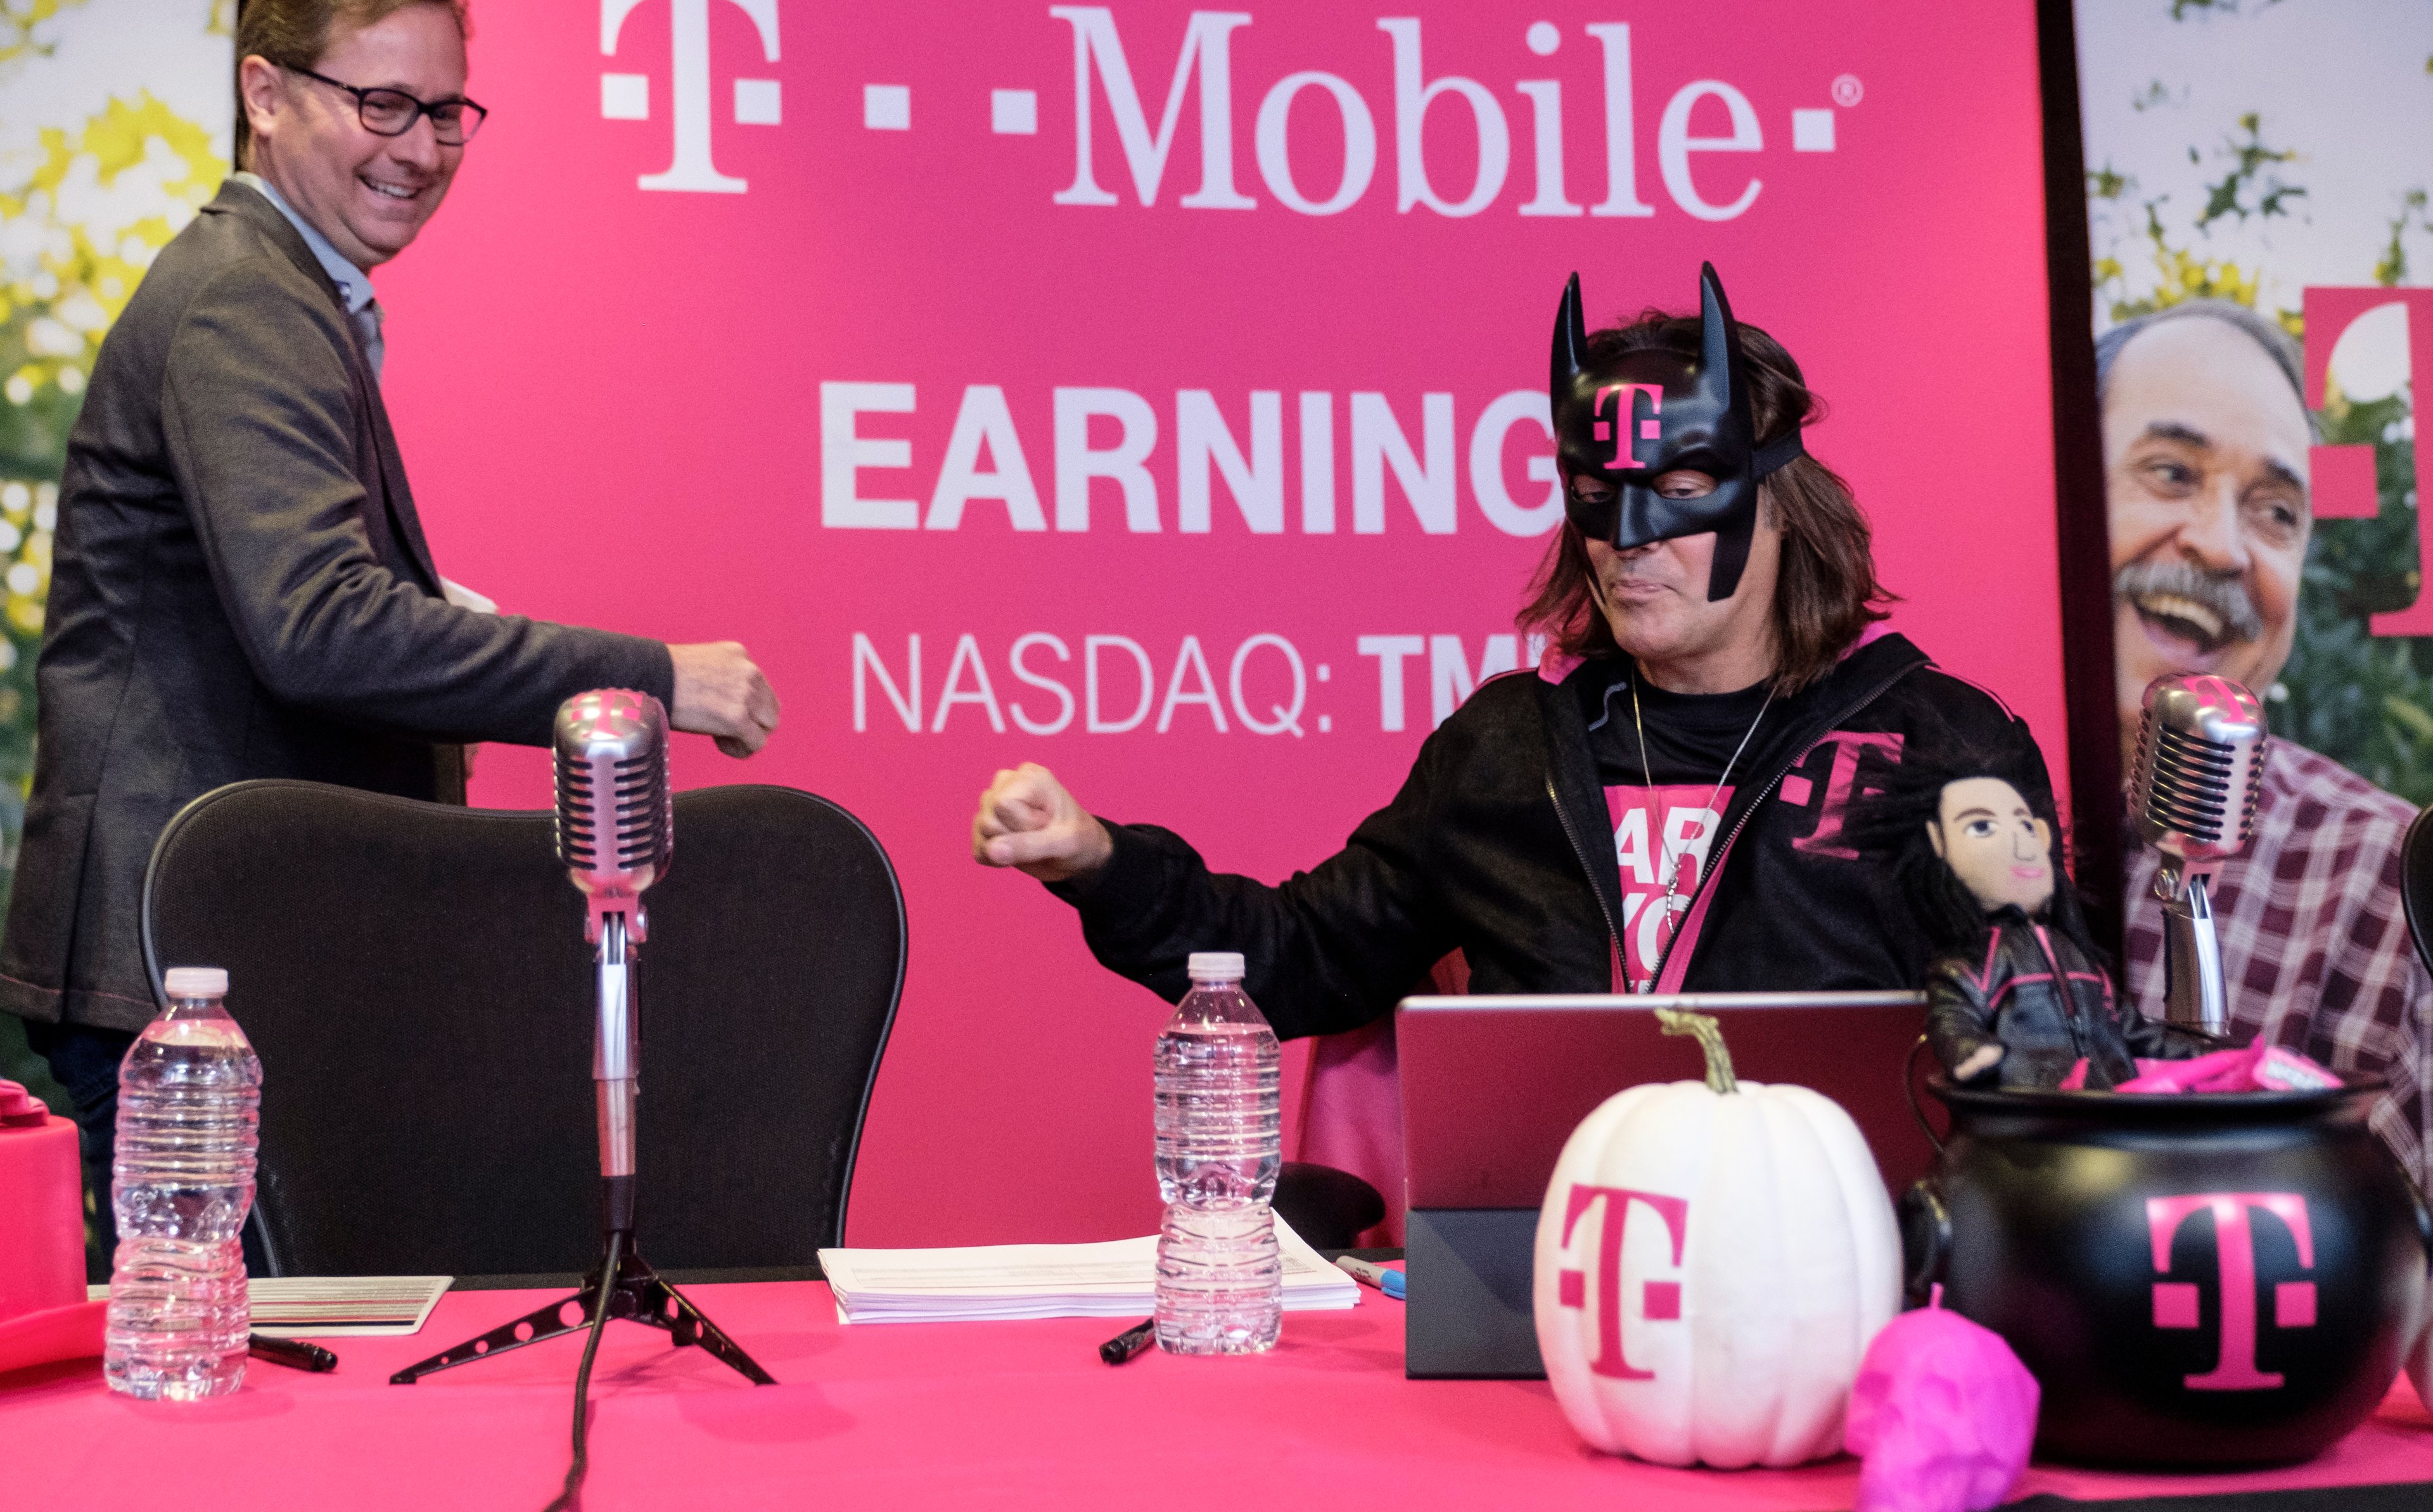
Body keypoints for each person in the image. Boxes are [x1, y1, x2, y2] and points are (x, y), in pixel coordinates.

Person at [0, 0, 782, 1207]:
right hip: (185, 970)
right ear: (265, 92)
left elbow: (278, 608)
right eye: (379, 103)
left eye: (445, 111)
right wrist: (649, 680)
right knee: (202, 1378)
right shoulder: (246, 301)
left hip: (222, 949)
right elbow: (318, 627)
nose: (417, 147)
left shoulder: (284, 294)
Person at [971, 265, 2052, 1036]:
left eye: (1679, 500)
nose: (1629, 545)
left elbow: (2048, 1024)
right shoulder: (1511, 743)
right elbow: (1297, 959)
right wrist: (1100, 864)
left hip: (1845, 1273)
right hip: (1547, 1266)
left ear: (1781, 513)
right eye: (1596, 501)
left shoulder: (1939, 742)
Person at [2098, 299, 2429, 1178]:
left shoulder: (2380, 883)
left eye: (2275, 511)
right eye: (2171, 472)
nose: (2219, 545)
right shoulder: (1880, 808)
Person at [1843, 742, 2206, 1090]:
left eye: (2026, 826)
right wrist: (1970, 1051)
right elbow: (1952, 1019)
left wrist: (2202, 1054)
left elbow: (2131, 1030)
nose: (2021, 845)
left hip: (2112, 1114)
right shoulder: (1977, 962)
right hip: (2033, 1117)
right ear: (1937, 843)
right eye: (1982, 827)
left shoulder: (2077, 955)